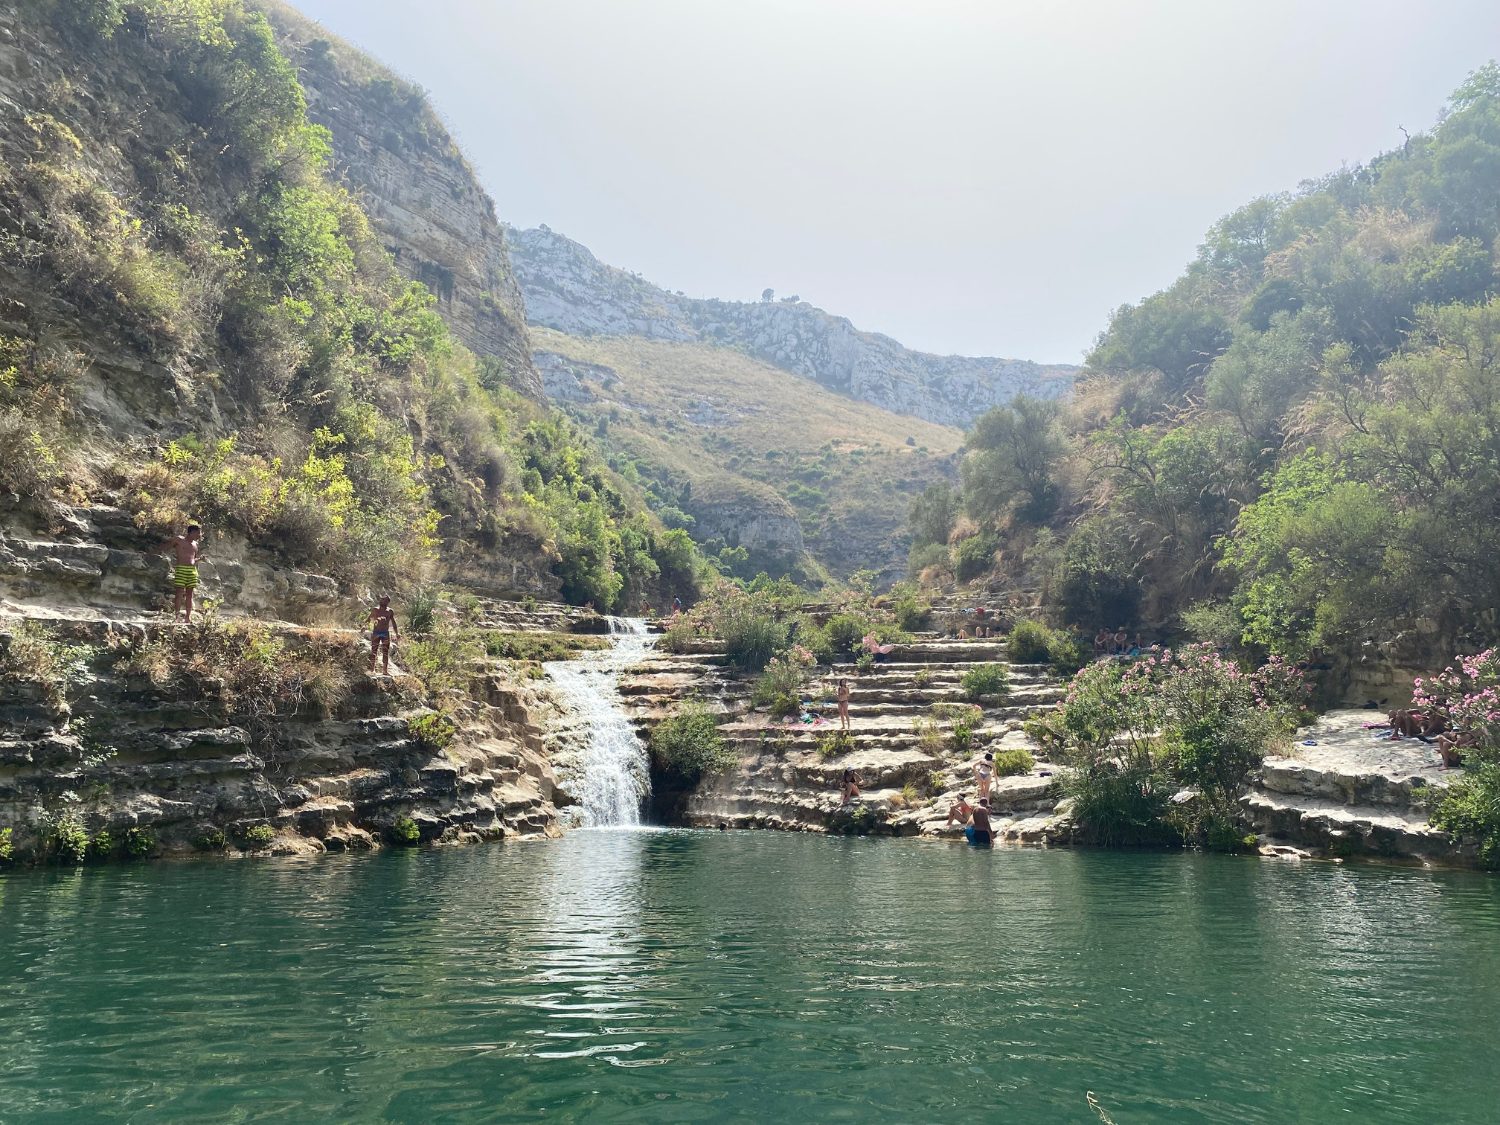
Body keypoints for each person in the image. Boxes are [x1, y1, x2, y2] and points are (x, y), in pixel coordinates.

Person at [158, 524, 209, 622]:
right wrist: (149, 553)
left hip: (192, 571)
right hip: (181, 569)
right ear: (192, 532)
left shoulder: (195, 545)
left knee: (190, 594)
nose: (200, 535)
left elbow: (192, 559)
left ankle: (188, 618)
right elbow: (165, 547)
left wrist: (200, 559)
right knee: (179, 593)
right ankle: (177, 616)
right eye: (199, 533)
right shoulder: (179, 540)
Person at [365, 595, 400, 675]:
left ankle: (385, 671)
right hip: (376, 632)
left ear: (387, 602)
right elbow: (369, 618)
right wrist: (364, 626)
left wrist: (397, 633)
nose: (381, 601)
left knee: (385, 651)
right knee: (374, 650)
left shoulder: (390, 611)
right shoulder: (375, 610)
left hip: (385, 633)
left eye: (383, 600)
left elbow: (393, 622)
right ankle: (372, 669)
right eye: (381, 599)